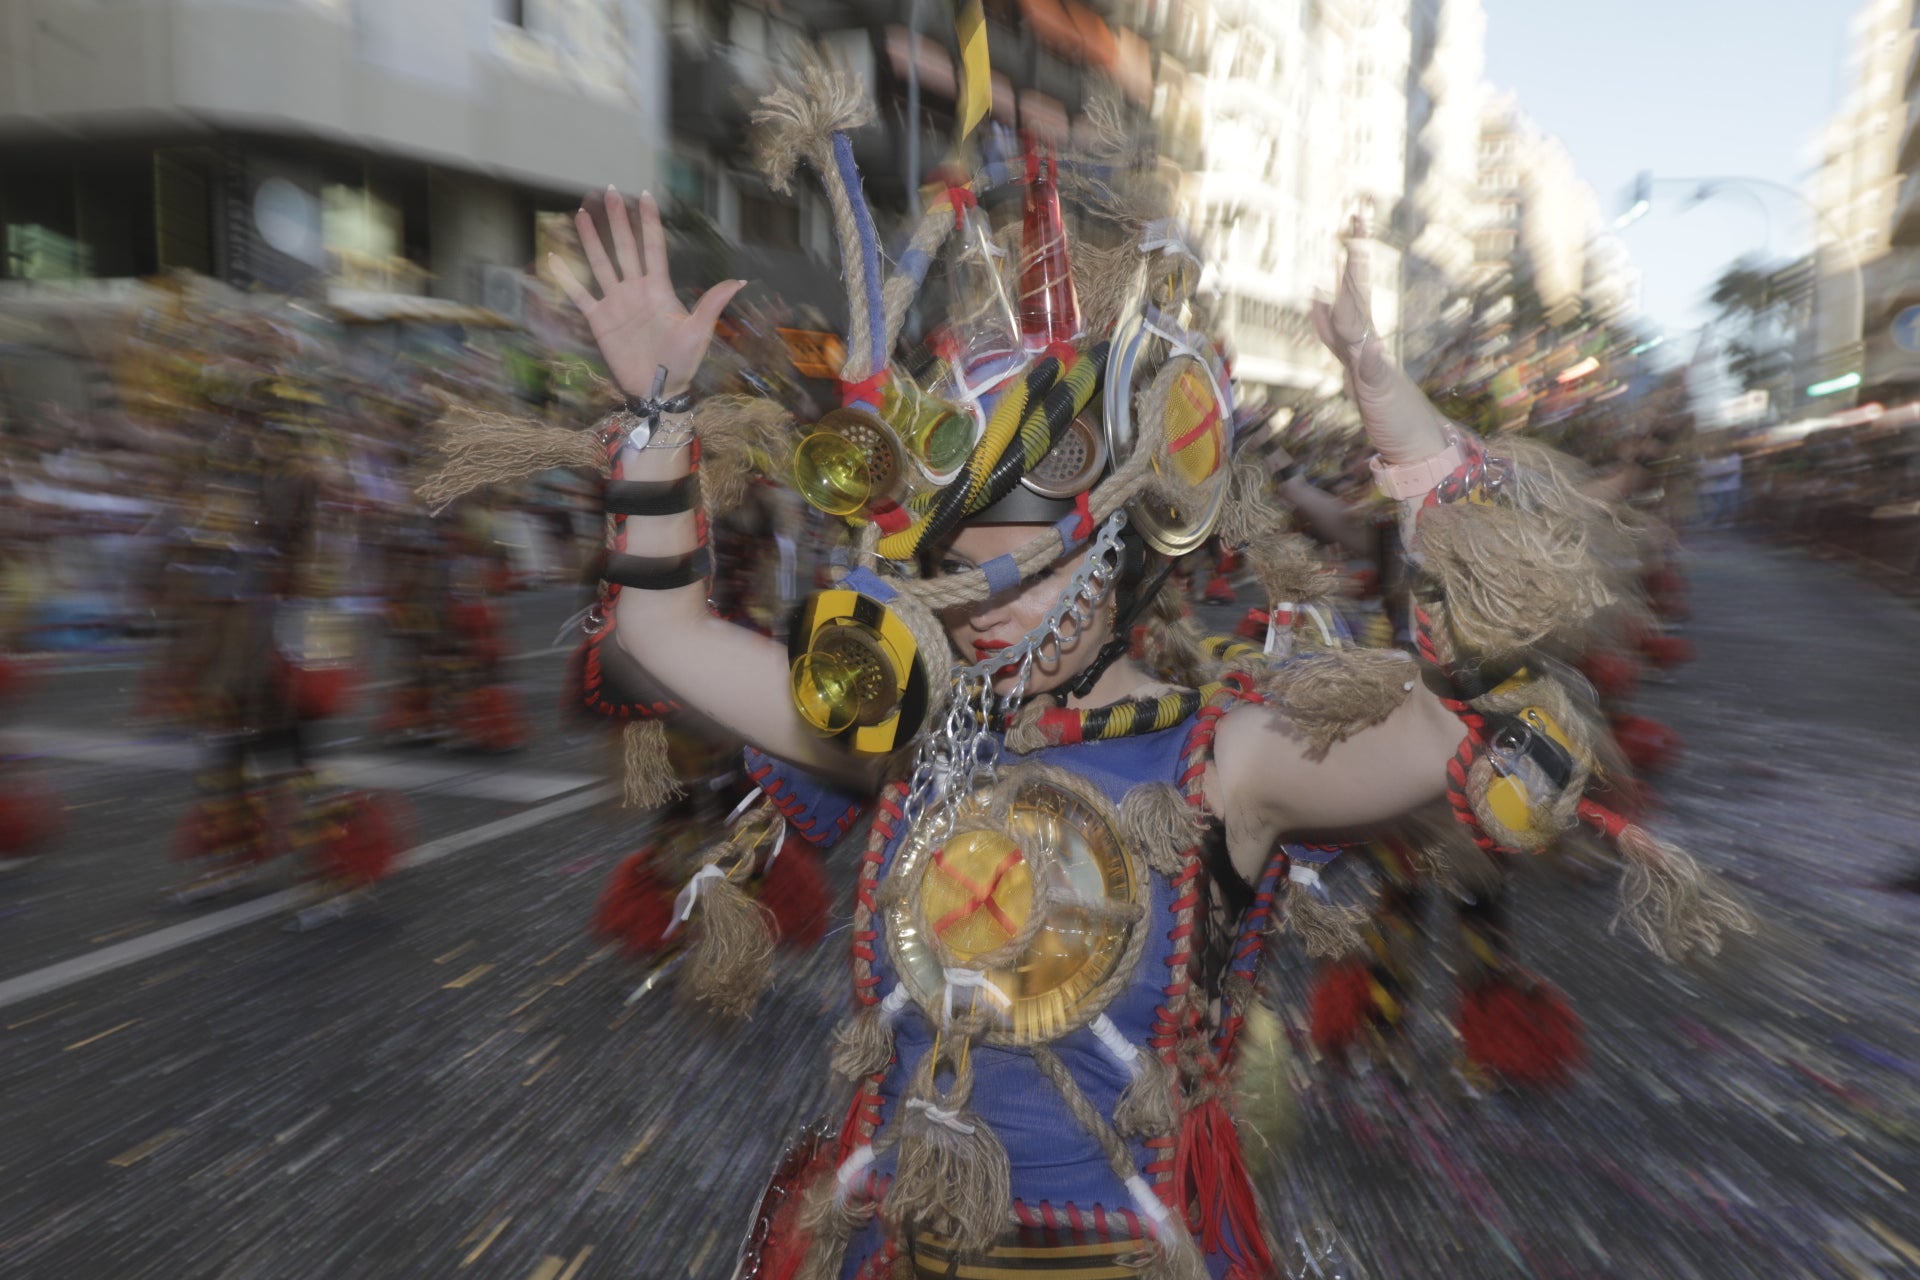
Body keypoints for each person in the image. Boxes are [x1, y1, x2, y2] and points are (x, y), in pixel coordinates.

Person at [422, 72, 1748, 1278]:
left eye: (1015, 564)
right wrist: (655, 423)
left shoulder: (1230, 758)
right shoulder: (914, 735)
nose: (973, 603)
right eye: (951, 560)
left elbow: (1512, 754)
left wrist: (1410, 438)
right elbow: (661, 640)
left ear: (1115, 554)